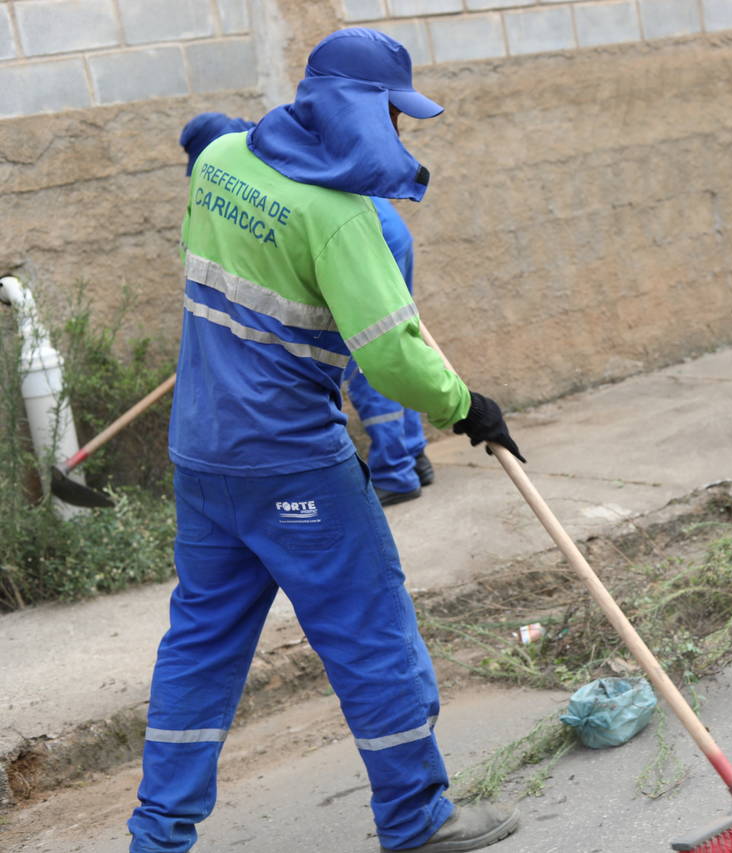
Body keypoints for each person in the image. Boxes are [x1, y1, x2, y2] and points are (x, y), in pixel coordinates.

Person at [129, 28, 522, 853]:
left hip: (200, 456)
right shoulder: (345, 220)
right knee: (369, 632)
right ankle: (416, 817)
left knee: (200, 646)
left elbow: (225, 195)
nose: (400, 129)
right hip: (293, 462)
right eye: (393, 112)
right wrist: (467, 406)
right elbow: (390, 359)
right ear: (359, 110)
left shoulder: (220, 162)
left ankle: (157, 836)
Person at [180, 114, 436, 508]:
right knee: (400, 338)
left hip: (365, 239)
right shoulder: (272, 142)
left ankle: (396, 472)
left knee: (369, 356)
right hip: (386, 229)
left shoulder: (243, 169)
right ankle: (414, 453)